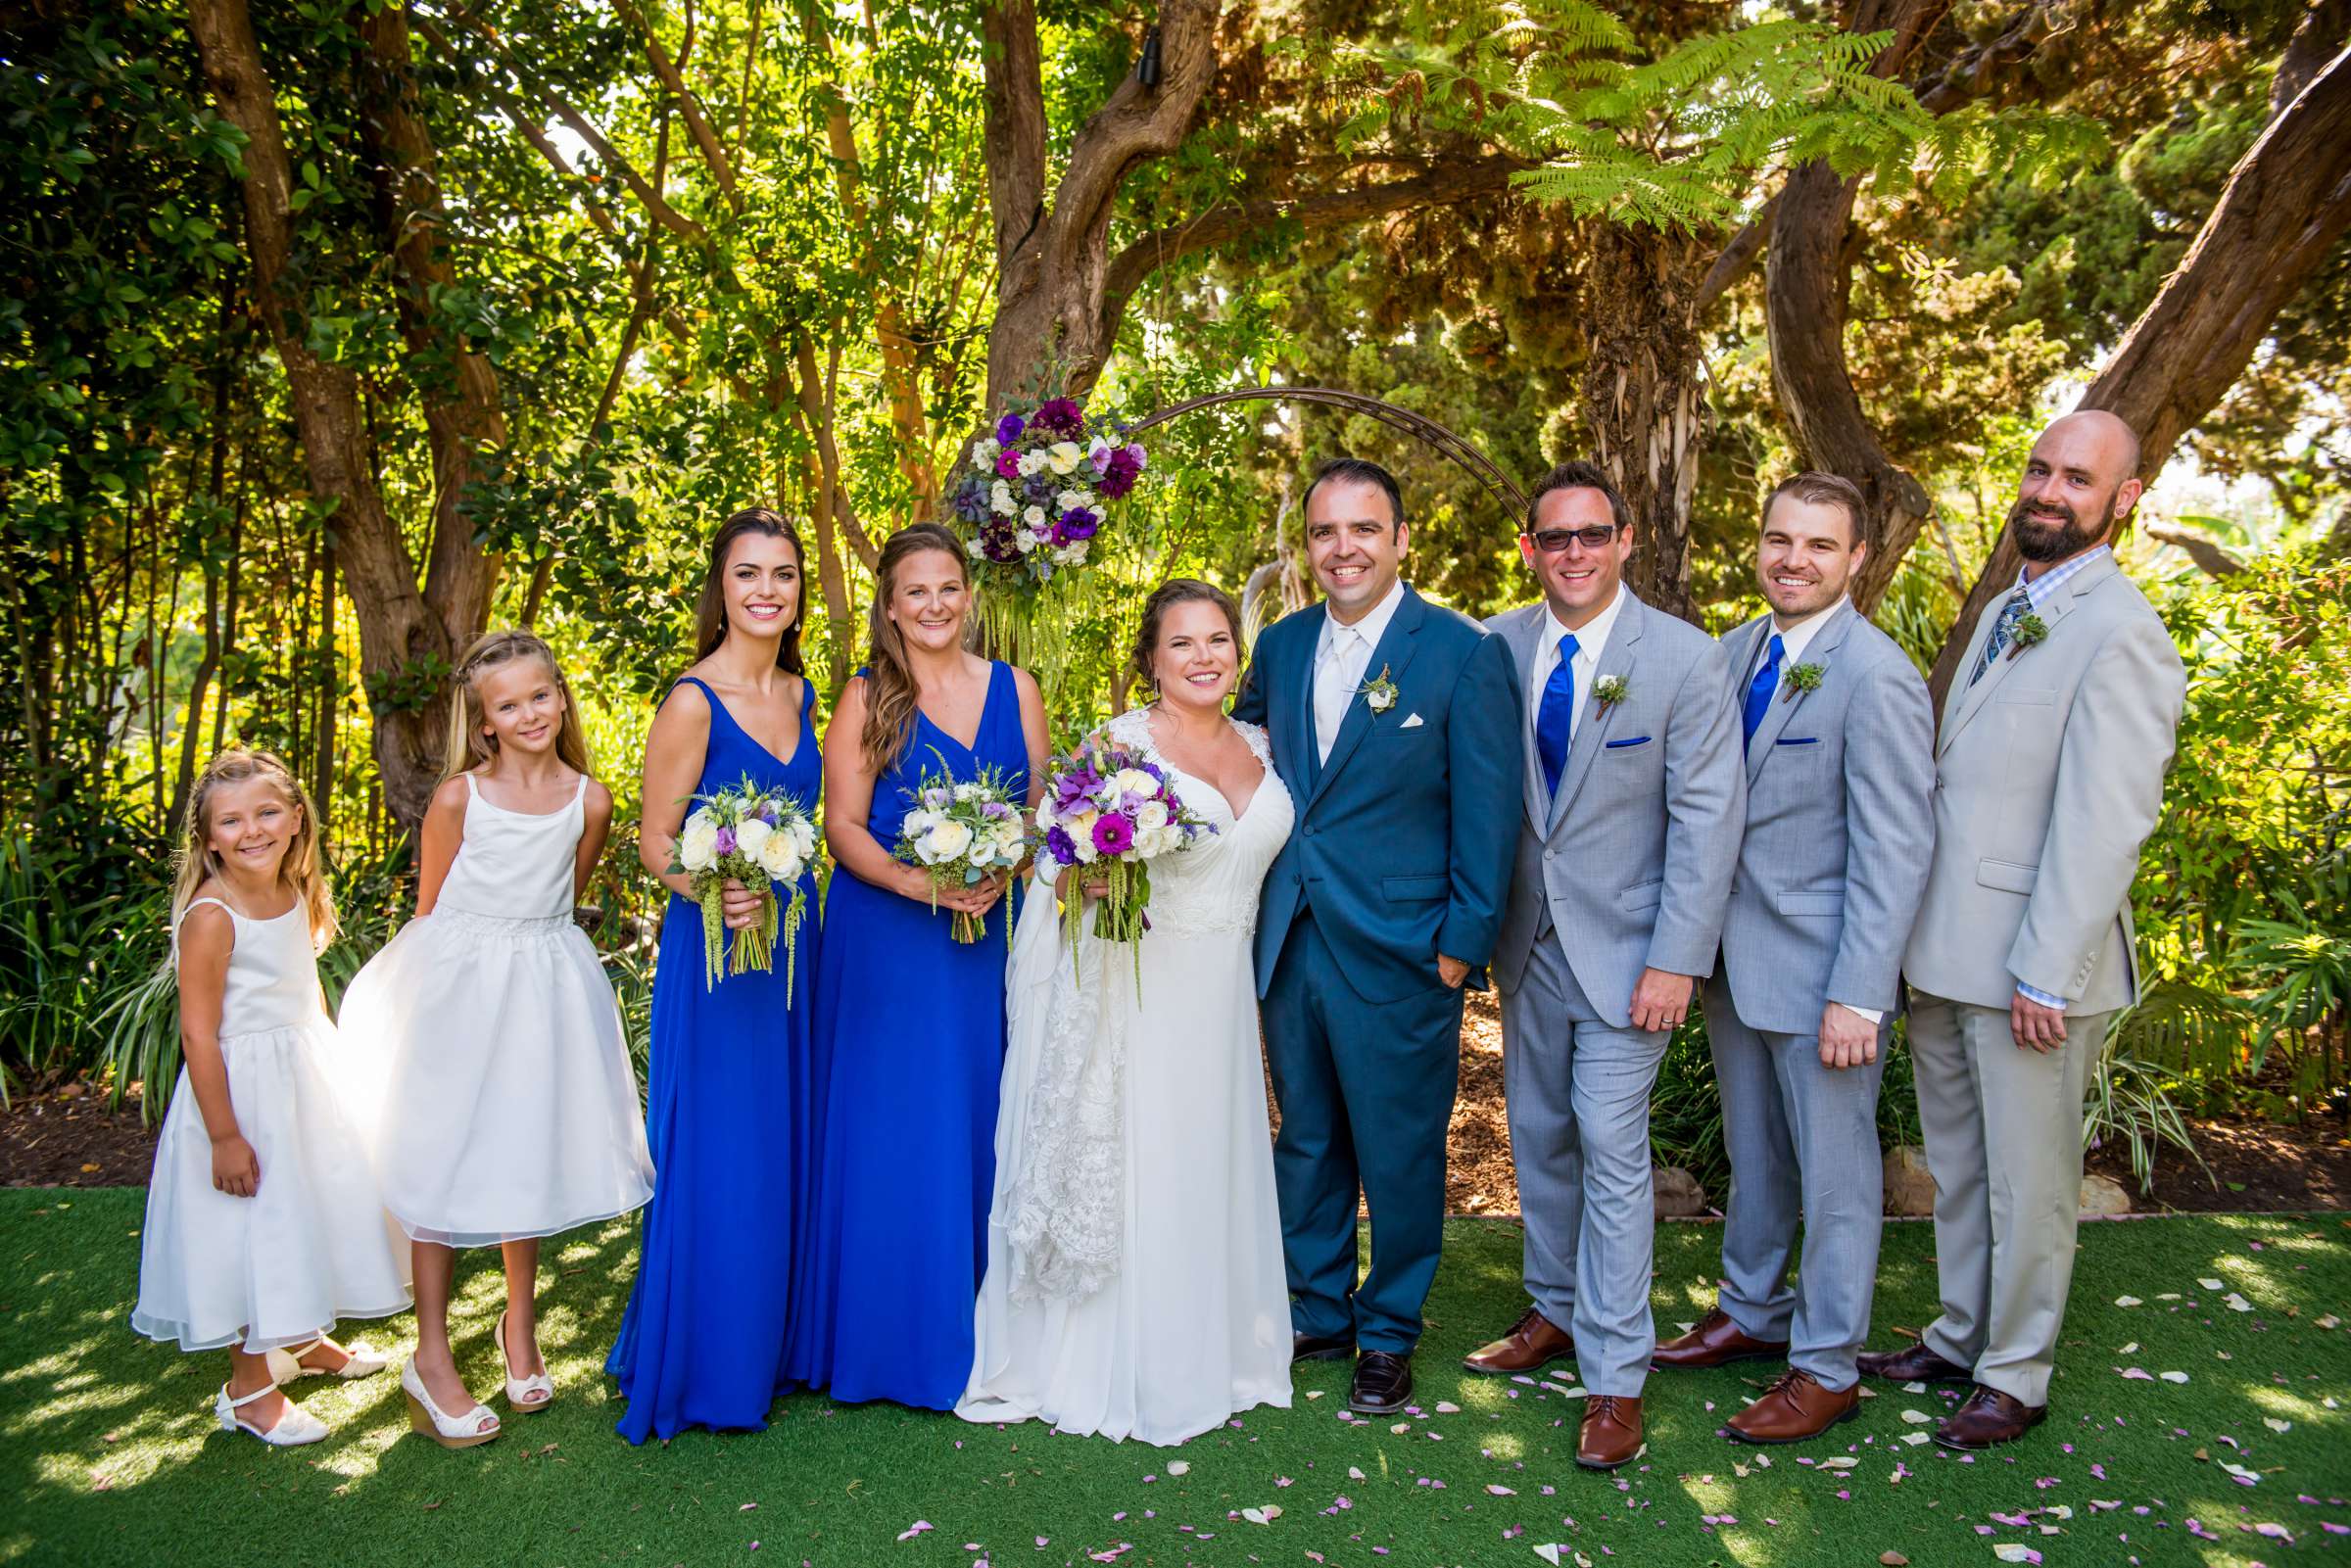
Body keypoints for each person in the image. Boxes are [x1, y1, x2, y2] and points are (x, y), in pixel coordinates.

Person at [1859, 410, 2185, 1449]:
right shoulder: (2013, 603)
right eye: (2040, 469)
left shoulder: (2122, 630)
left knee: (2033, 1181)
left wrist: (2049, 967)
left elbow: (2106, 820)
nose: (2049, 490)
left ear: (2123, 498)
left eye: (2077, 478)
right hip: (1950, 950)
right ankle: (1960, 1331)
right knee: (1958, 1164)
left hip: (2032, 971)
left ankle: (2017, 1370)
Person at [960, 580, 1294, 1445]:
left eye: (1217, 639)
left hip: (1224, 991)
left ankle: (1220, 1348)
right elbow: (1056, 867)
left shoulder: (1263, 741)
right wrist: (1086, 876)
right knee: (1151, 1155)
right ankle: (1135, 1360)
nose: (1203, 656)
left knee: (1208, 1154)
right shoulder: (1117, 746)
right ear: (1150, 658)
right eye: (1181, 642)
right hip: (1144, 990)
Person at [1230, 456, 1520, 1416]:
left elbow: (1488, 810)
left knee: (1396, 1149)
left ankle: (1389, 1325)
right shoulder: (1276, 647)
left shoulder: (1461, 652)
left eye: (1363, 529)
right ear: (1306, 546)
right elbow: (1248, 777)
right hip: (1292, 936)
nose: (1342, 547)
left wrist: (1458, 942)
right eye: (1324, 532)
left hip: (1402, 946)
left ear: (1401, 539)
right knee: (1307, 1136)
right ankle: (1316, 1306)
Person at [1648, 473, 1934, 1444]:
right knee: (1755, 1151)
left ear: (1857, 559)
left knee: (1837, 1173)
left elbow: (1895, 847)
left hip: (1825, 979)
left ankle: (1826, 1365)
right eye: (1779, 538)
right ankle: (1753, 1308)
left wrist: (1861, 991)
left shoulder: (1877, 674)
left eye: (1818, 544)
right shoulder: (1731, 655)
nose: (1793, 558)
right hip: (1735, 963)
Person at [1470, 460, 1744, 1470]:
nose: (1573, 551)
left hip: (1634, 958)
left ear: (1626, 540)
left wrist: (1678, 958)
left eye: (1592, 533)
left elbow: (1708, 821)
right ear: (1532, 549)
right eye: (1555, 536)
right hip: (1526, 944)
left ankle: (1616, 1374)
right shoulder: (1492, 647)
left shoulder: (1681, 658)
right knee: (1537, 1135)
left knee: (1610, 1144)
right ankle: (1552, 1306)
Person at [338, 630, 653, 1447]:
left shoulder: (591, 799)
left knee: (523, 1148)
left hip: (543, 988)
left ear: (561, 696)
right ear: (483, 723)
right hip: (456, 990)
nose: (528, 713)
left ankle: (520, 1324)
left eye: (539, 695)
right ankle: (432, 1354)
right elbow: (430, 909)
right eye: (506, 705)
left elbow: (563, 893)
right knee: (439, 1158)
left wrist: (528, 956)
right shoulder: (458, 799)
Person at [791, 521, 1048, 1410]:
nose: (934, 605)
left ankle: (983, 1330)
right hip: (890, 939)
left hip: (987, 938)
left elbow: (1036, 817)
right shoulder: (869, 696)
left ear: (967, 595)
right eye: (916, 591)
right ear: (890, 606)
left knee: (978, 1114)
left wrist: (999, 868)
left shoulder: (1018, 688)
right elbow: (842, 826)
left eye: (949, 587)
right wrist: (920, 883)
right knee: (894, 1124)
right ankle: (884, 1339)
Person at [603, 508, 825, 1443]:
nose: (767, 590)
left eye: (782, 574)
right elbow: (654, 844)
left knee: (781, 1148)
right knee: (725, 1154)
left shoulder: (806, 695)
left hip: (794, 959)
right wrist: (719, 886)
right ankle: (708, 1365)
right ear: (721, 588)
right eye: (748, 574)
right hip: (720, 962)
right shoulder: (692, 701)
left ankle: (771, 1349)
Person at [133, 749, 409, 1448]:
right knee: (251, 1226)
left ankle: (304, 1338)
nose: (251, 829)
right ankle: (249, 1387)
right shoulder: (211, 915)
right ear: (208, 838)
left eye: (265, 812)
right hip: (241, 1093)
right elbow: (199, 1035)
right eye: (230, 820)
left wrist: (332, 1065)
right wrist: (225, 1135)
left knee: (301, 1207)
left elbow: (302, 988)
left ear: (295, 819)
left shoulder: (292, 888)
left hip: (300, 1078)